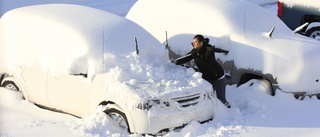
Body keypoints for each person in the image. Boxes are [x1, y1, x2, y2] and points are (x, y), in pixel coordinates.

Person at [174, 34, 231, 108]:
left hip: (218, 76)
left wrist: (196, 56)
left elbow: (208, 65)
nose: (193, 44)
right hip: (208, 77)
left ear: (201, 43)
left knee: (221, 99)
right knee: (209, 96)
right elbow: (187, 57)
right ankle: (213, 109)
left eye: (194, 42)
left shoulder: (209, 50)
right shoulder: (195, 51)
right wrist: (176, 62)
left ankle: (228, 111)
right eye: (192, 43)